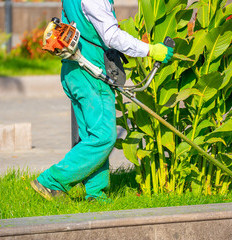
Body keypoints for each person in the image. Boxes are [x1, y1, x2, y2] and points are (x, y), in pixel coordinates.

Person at [31, 0, 173, 202]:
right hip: (90, 74)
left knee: (92, 136)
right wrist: (150, 50)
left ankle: (96, 193)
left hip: (73, 72)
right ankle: (51, 181)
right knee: (104, 137)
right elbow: (112, 36)